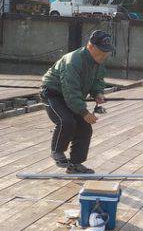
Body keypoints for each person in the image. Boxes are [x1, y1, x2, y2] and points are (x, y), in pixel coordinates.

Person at [40, 30, 114, 174]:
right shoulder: (73, 60)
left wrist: (98, 93)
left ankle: (75, 164)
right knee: (66, 121)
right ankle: (57, 151)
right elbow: (70, 91)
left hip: (72, 97)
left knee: (85, 128)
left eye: (107, 52)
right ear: (90, 46)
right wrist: (84, 112)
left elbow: (98, 80)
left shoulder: (98, 63)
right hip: (53, 93)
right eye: (101, 52)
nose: (104, 55)